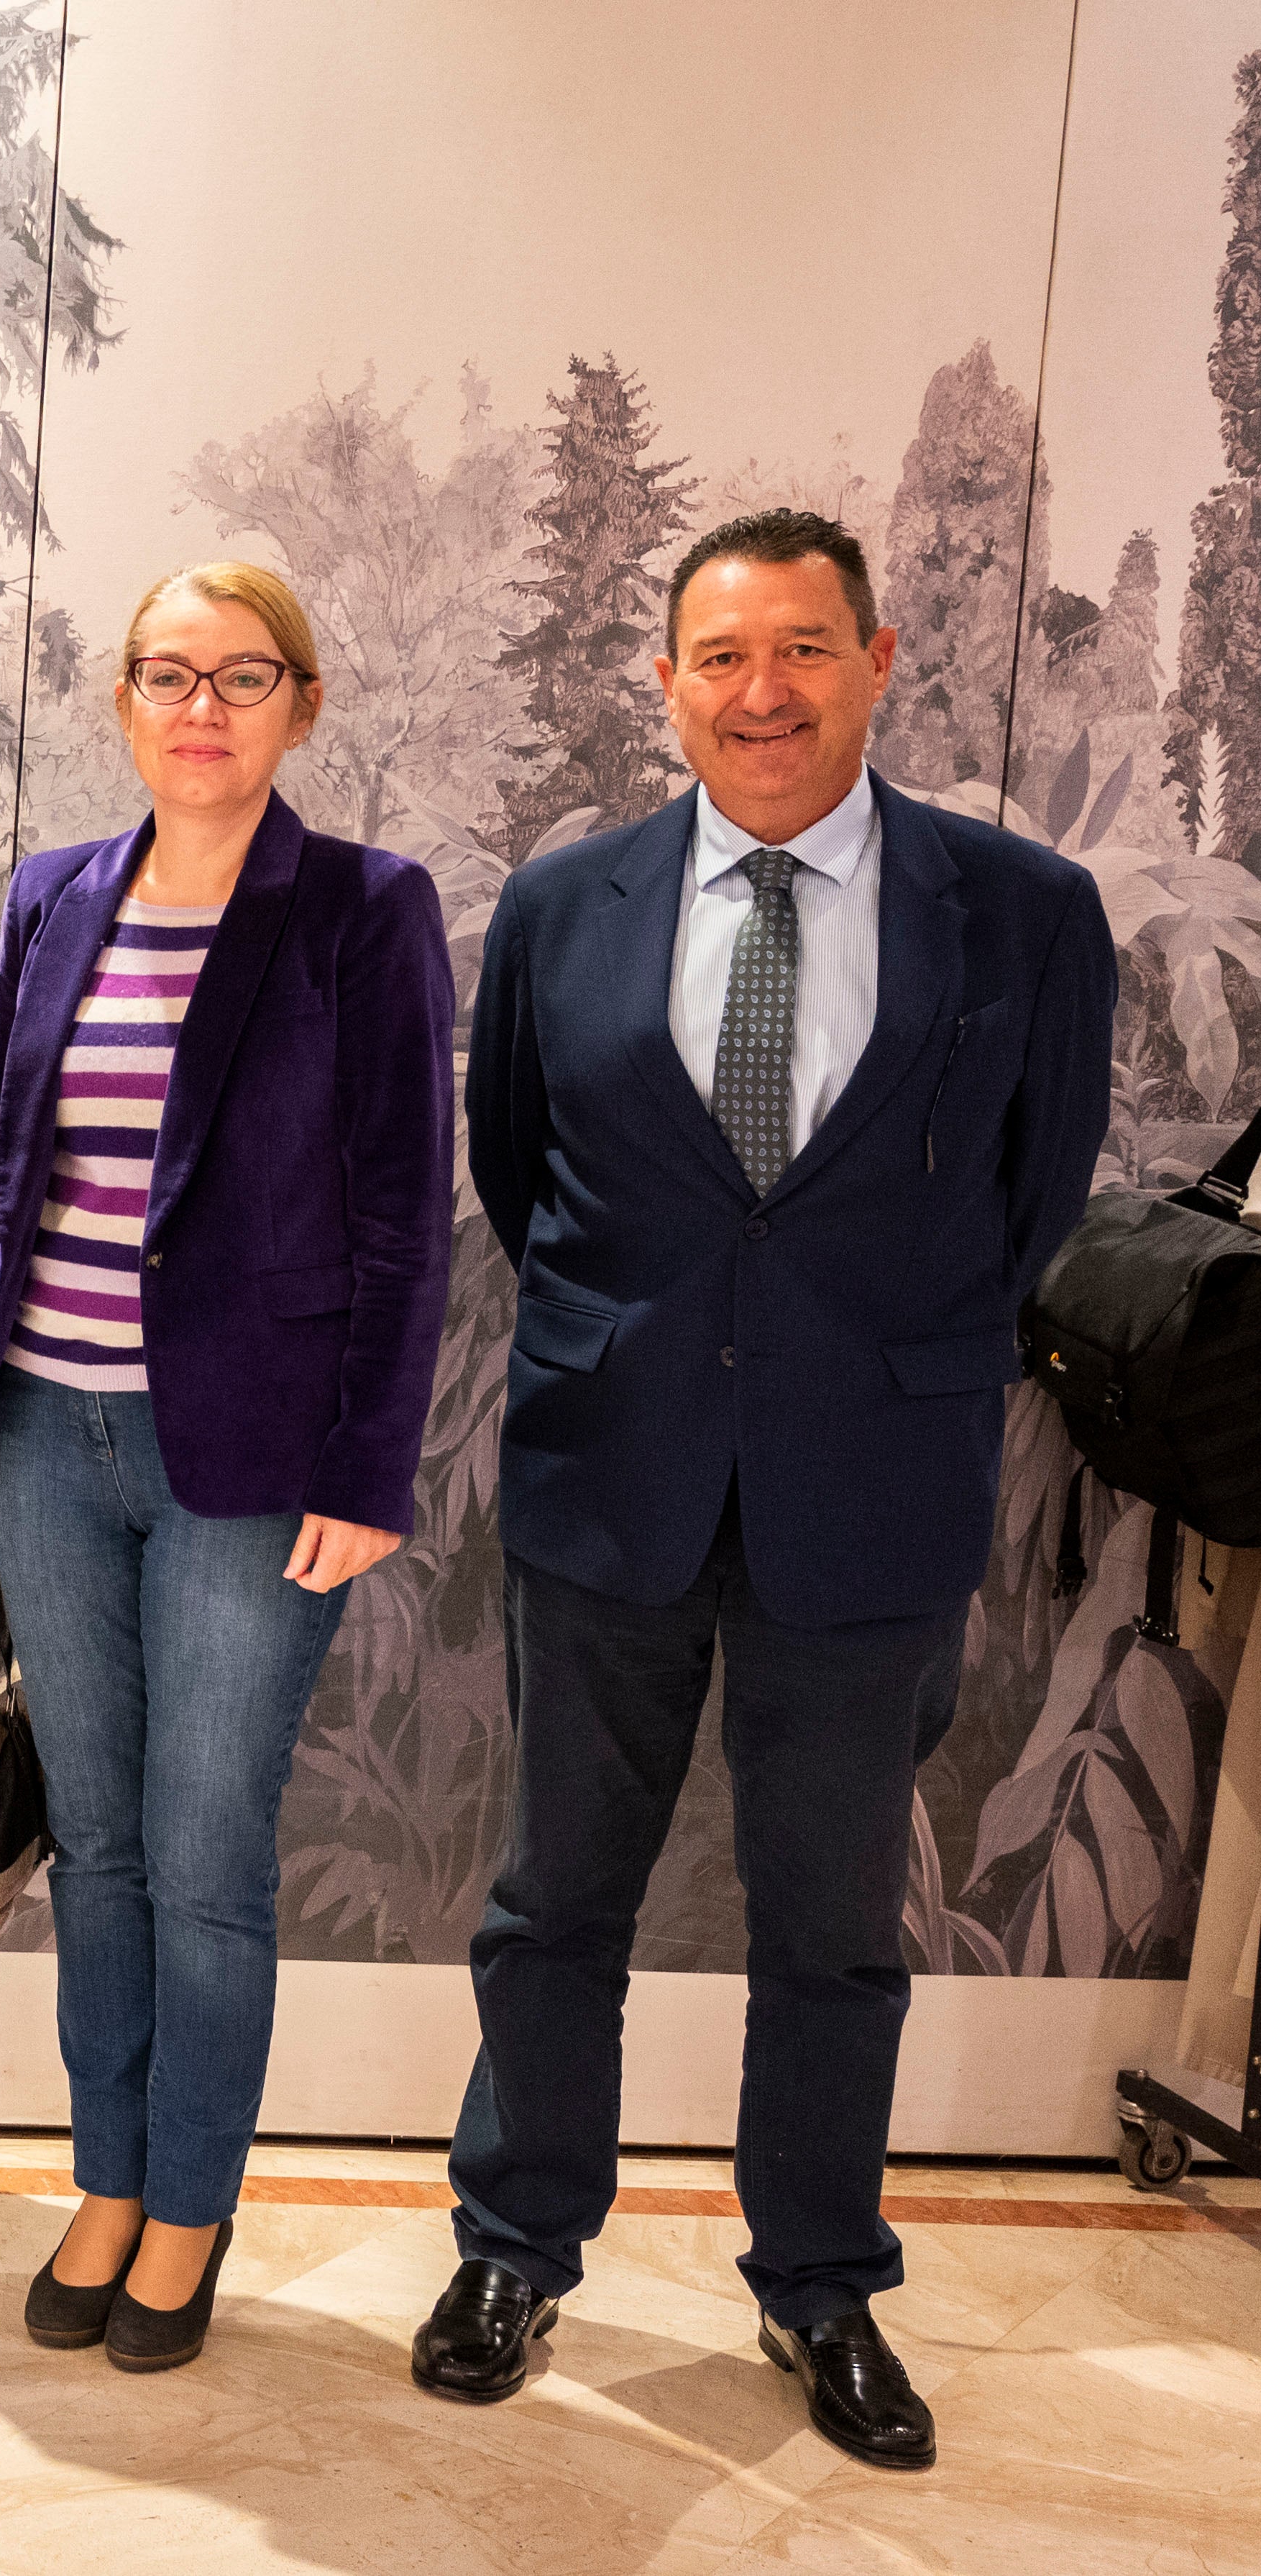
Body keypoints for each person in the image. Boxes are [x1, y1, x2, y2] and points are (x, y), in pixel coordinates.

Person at [416, 511, 1114, 2467]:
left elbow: (1034, 1193)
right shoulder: (569, 907)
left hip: (869, 1485)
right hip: (609, 1468)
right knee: (557, 1899)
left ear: (879, 660)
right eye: (723, 655)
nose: (765, 691)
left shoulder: (1023, 911)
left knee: (835, 1924)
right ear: (669, 680)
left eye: (806, 648)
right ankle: (513, 2244)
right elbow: (521, 1162)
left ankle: (822, 2282)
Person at [0, 562, 456, 2370]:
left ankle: (185, 2209)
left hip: (245, 1461)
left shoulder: (361, 912)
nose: (201, 708)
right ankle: (102, 2174)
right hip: (50, 1439)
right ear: (124, 703)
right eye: (166, 675)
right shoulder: (48, 898)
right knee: (91, 1848)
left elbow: (404, 1217)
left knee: (202, 1854)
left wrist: (368, 1466)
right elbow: (10, 1176)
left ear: (298, 706)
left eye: (243, 678)